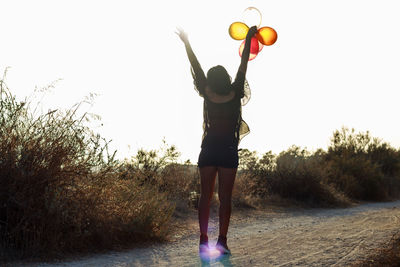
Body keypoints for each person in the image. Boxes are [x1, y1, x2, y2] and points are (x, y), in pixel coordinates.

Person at [176, 25, 258, 255]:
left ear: (211, 80)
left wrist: (187, 43)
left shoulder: (207, 91)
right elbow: (244, 63)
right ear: (227, 78)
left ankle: (203, 239)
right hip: (228, 150)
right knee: (225, 199)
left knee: (205, 197)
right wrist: (250, 37)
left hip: (209, 149)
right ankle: (222, 241)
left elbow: (196, 66)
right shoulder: (235, 92)